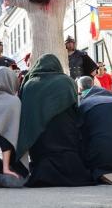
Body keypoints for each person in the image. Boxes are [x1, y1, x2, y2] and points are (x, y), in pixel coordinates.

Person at [16, 54, 93, 187]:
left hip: (40, 143)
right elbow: (76, 110)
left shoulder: (29, 85)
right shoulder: (67, 81)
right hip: (66, 138)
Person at [0, 0, 90, 74]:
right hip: (39, 49)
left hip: (56, 48)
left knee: (59, 71)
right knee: (39, 72)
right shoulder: (28, 2)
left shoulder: (58, 0)